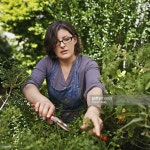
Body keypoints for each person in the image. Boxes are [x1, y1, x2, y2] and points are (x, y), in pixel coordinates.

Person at [22, 20, 105, 137]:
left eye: (66, 39)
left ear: (75, 40)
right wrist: (41, 100)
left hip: (81, 126)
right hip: (52, 127)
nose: (62, 45)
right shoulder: (46, 63)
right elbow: (28, 86)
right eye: (56, 41)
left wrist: (93, 109)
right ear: (51, 46)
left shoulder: (88, 64)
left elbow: (95, 87)